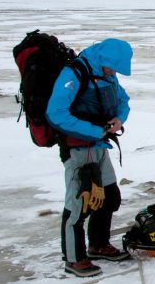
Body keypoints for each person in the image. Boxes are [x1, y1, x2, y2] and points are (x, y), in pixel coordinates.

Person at [46, 38, 133, 277]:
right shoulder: (74, 73)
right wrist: (95, 131)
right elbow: (56, 113)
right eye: (113, 67)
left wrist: (119, 119)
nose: (114, 73)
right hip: (78, 148)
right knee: (79, 203)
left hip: (99, 145)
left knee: (109, 196)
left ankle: (98, 245)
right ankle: (74, 259)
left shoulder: (106, 75)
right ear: (104, 60)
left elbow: (123, 100)